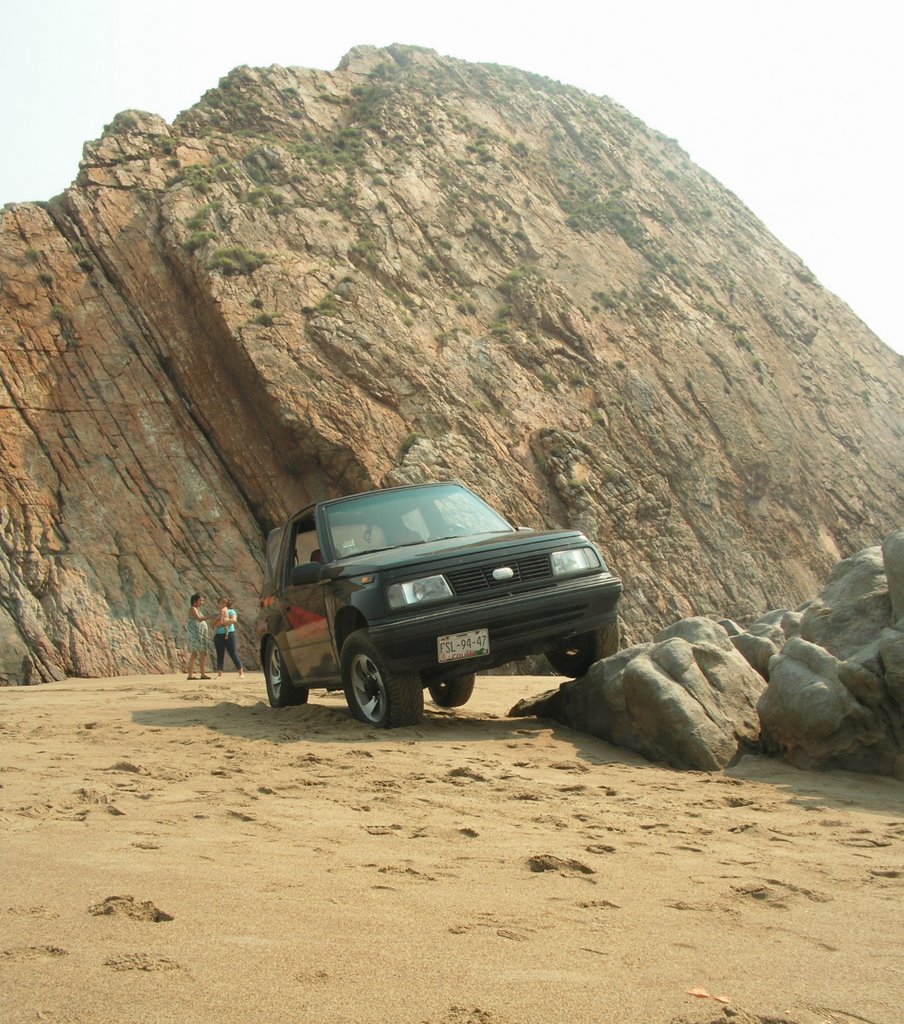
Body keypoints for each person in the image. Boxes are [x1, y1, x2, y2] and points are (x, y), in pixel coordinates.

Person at [213, 597, 245, 679]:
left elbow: (233, 620)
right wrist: (221, 621)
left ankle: (241, 672)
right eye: (220, 603)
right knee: (220, 654)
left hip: (230, 634)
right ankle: (220, 674)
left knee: (233, 653)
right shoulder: (218, 614)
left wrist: (222, 623)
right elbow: (213, 623)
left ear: (227, 604)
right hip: (219, 635)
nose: (222, 604)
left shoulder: (231, 611)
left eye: (223, 603)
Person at [186, 593, 212, 680]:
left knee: (203, 653)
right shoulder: (193, 609)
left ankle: (202, 674)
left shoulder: (198, 609)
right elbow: (199, 619)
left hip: (200, 635)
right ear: (195, 602)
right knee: (194, 653)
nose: (202, 602)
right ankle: (190, 675)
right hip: (195, 634)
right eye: (200, 600)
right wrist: (211, 616)